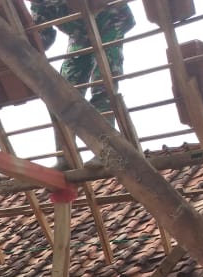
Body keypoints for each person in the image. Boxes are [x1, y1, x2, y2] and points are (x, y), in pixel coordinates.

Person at [29, 0, 136, 168]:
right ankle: (66, 156)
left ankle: (107, 150)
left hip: (110, 17)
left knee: (103, 84)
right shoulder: (38, 4)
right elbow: (44, 37)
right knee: (60, 93)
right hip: (81, 32)